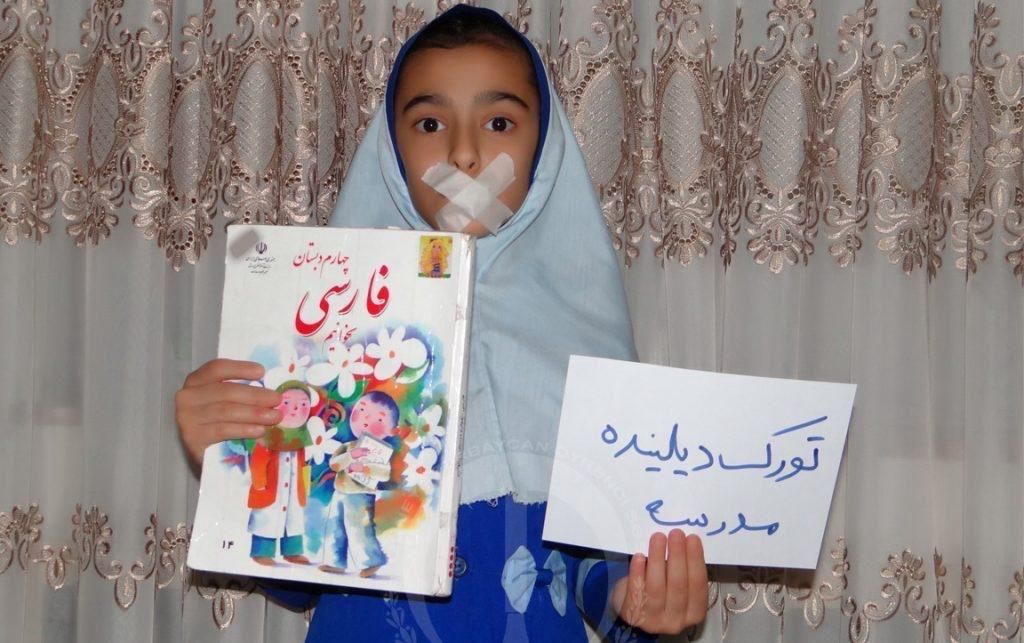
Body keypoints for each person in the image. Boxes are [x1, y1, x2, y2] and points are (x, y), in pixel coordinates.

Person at [175, 6, 708, 641]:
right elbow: (298, 576)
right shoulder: (333, 338)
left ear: (545, 145)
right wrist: (233, 455)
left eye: (499, 122)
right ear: (392, 148)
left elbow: (600, 575)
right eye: (430, 123)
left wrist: (641, 599)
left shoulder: (586, 339)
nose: (464, 153)